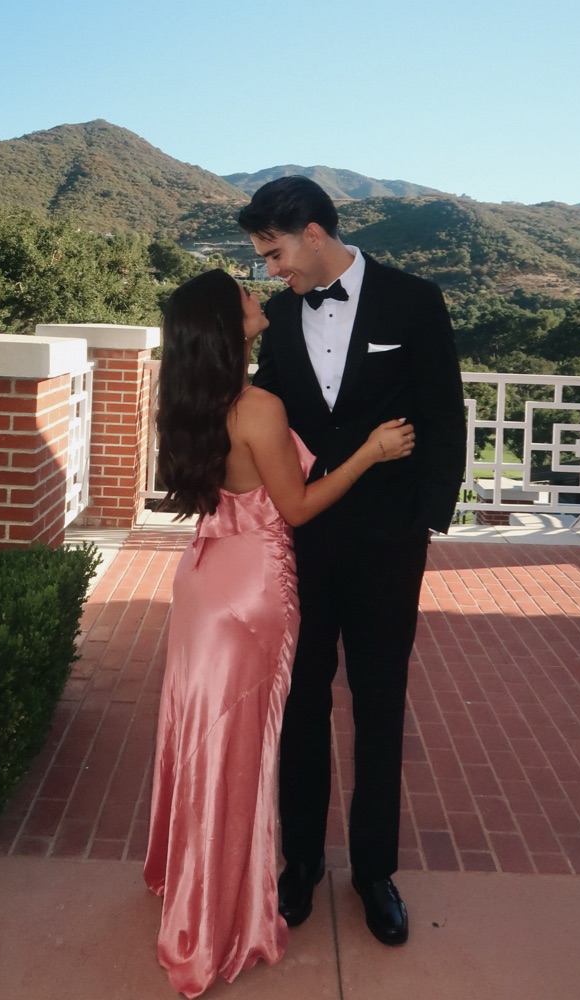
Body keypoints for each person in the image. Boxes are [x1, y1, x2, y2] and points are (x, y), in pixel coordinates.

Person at [143, 268, 416, 998]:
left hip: (204, 580)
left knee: (198, 735)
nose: (256, 294)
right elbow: (295, 508)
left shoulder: (188, 397)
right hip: (250, 595)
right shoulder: (257, 406)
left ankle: (188, 875)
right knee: (238, 750)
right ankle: (214, 911)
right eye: (242, 294)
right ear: (225, 324)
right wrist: (370, 452)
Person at [237, 177, 467, 947]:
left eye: (274, 253)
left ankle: (374, 872)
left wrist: (422, 522)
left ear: (311, 233)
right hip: (299, 541)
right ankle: (299, 863)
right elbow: (263, 414)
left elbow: (443, 414)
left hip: (388, 543)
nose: (271, 270)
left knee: (379, 702)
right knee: (300, 704)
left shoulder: (413, 300)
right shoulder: (277, 317)